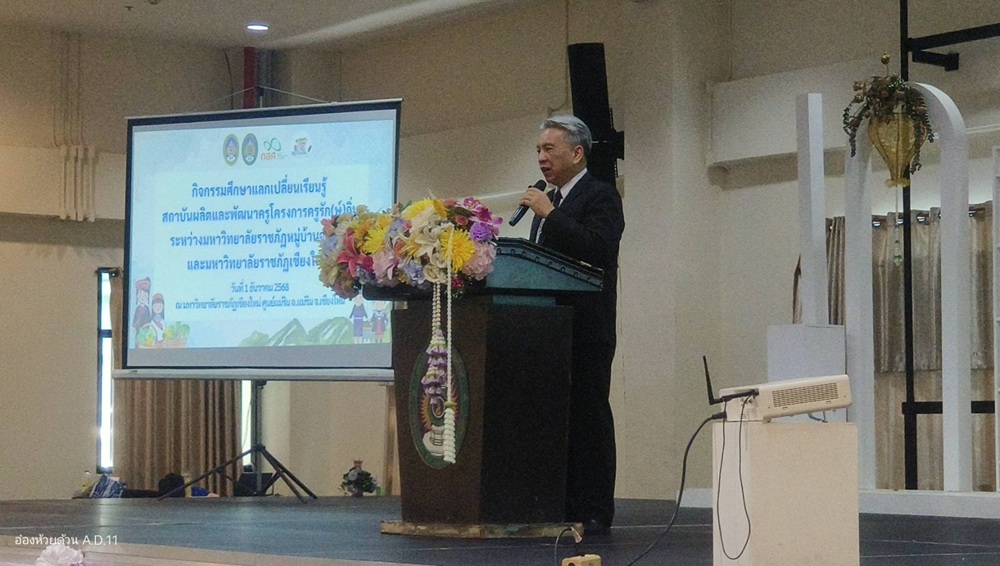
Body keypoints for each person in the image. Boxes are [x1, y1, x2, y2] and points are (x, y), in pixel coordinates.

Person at [518, 115, 625, 535]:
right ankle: (559, 503)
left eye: (550, 149)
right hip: (550, 328)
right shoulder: (550, 202)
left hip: (587, 327)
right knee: (555, 418)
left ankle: (595, 508)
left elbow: (598, 248)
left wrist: (550, 214)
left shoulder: (601, 196)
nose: (541, 158)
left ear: (577, 153)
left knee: (588, 416)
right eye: (538, 150)